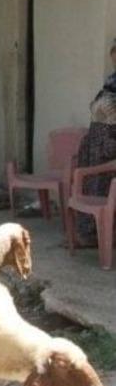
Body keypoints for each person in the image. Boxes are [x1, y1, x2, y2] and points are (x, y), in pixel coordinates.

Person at [76, 43, 116, 244]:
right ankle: (90, 234)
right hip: (95, 143)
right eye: (114, 55)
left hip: (109, 145)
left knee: (105, 189)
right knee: (91, 186)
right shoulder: (110, 83)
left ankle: (104, 236)